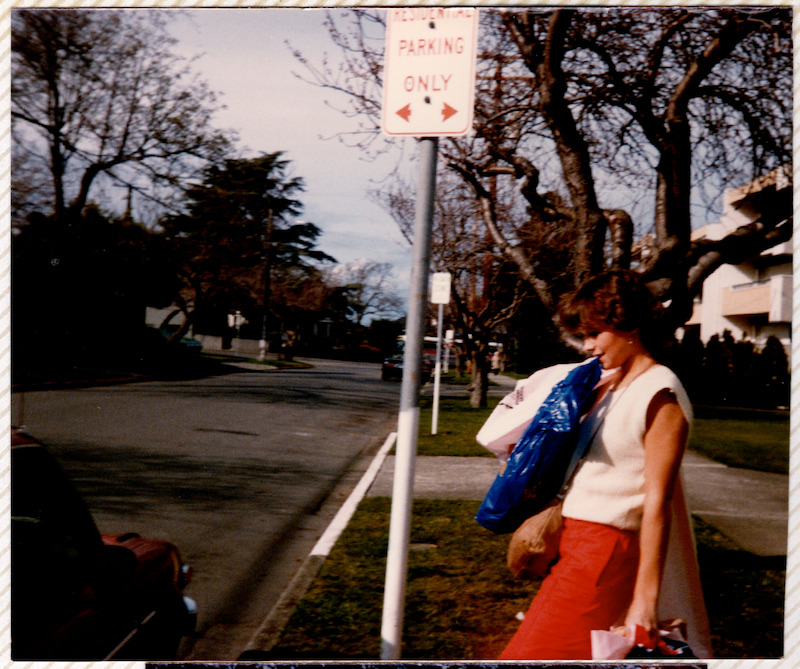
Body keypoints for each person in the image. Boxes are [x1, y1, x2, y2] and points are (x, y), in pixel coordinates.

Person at [497, 269, 712, 660]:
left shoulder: (660, 392)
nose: (587, 346)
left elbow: (658, 503)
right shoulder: (613, 384)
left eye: (594, 333)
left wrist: (644, 603)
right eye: (583, 336)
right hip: (575, 544)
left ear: (626, 324)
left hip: (606, 551)